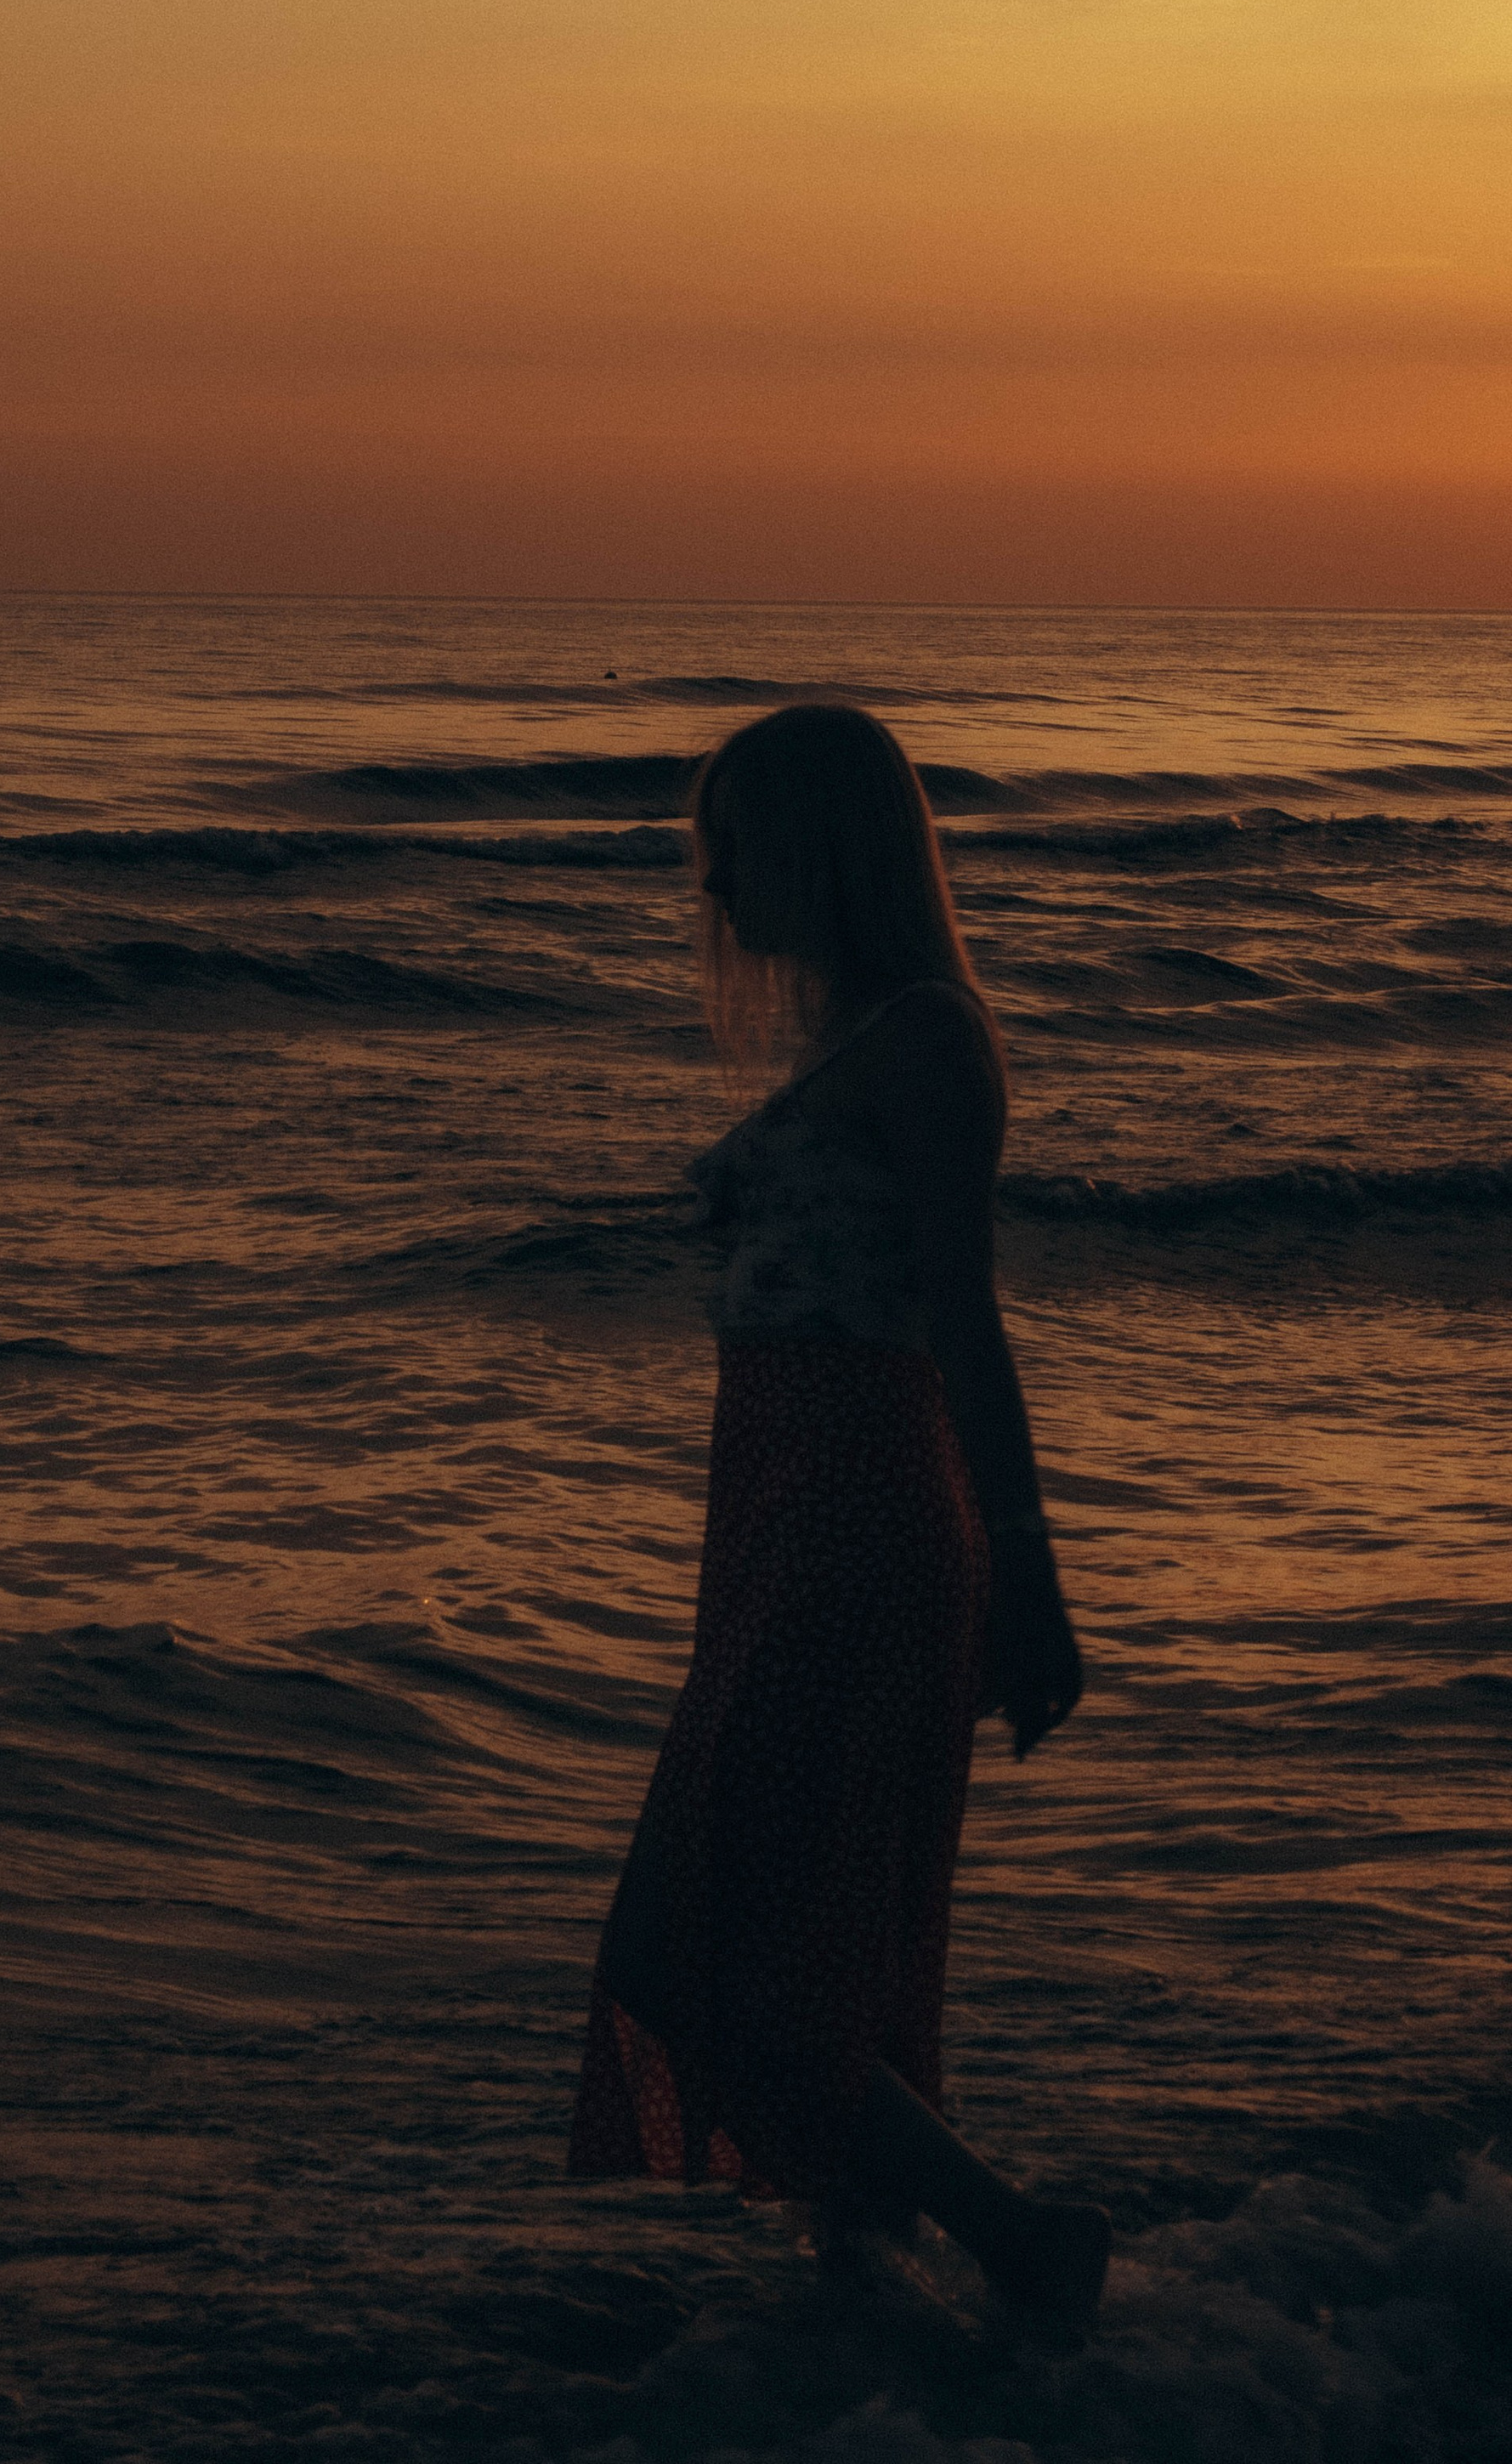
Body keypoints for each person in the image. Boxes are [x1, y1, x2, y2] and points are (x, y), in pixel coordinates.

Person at [569, 704, 1107, 2321]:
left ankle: (1021, 2242)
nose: (715, 885)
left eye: (737, 845)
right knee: (821, 1944)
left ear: (824, 843)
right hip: (786, 1511)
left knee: (692, 1950)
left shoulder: (928, 1039)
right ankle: (870, 2337)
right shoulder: (861, 1042)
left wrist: (1028, 1571)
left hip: (861, 1514)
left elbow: (966, 1320)